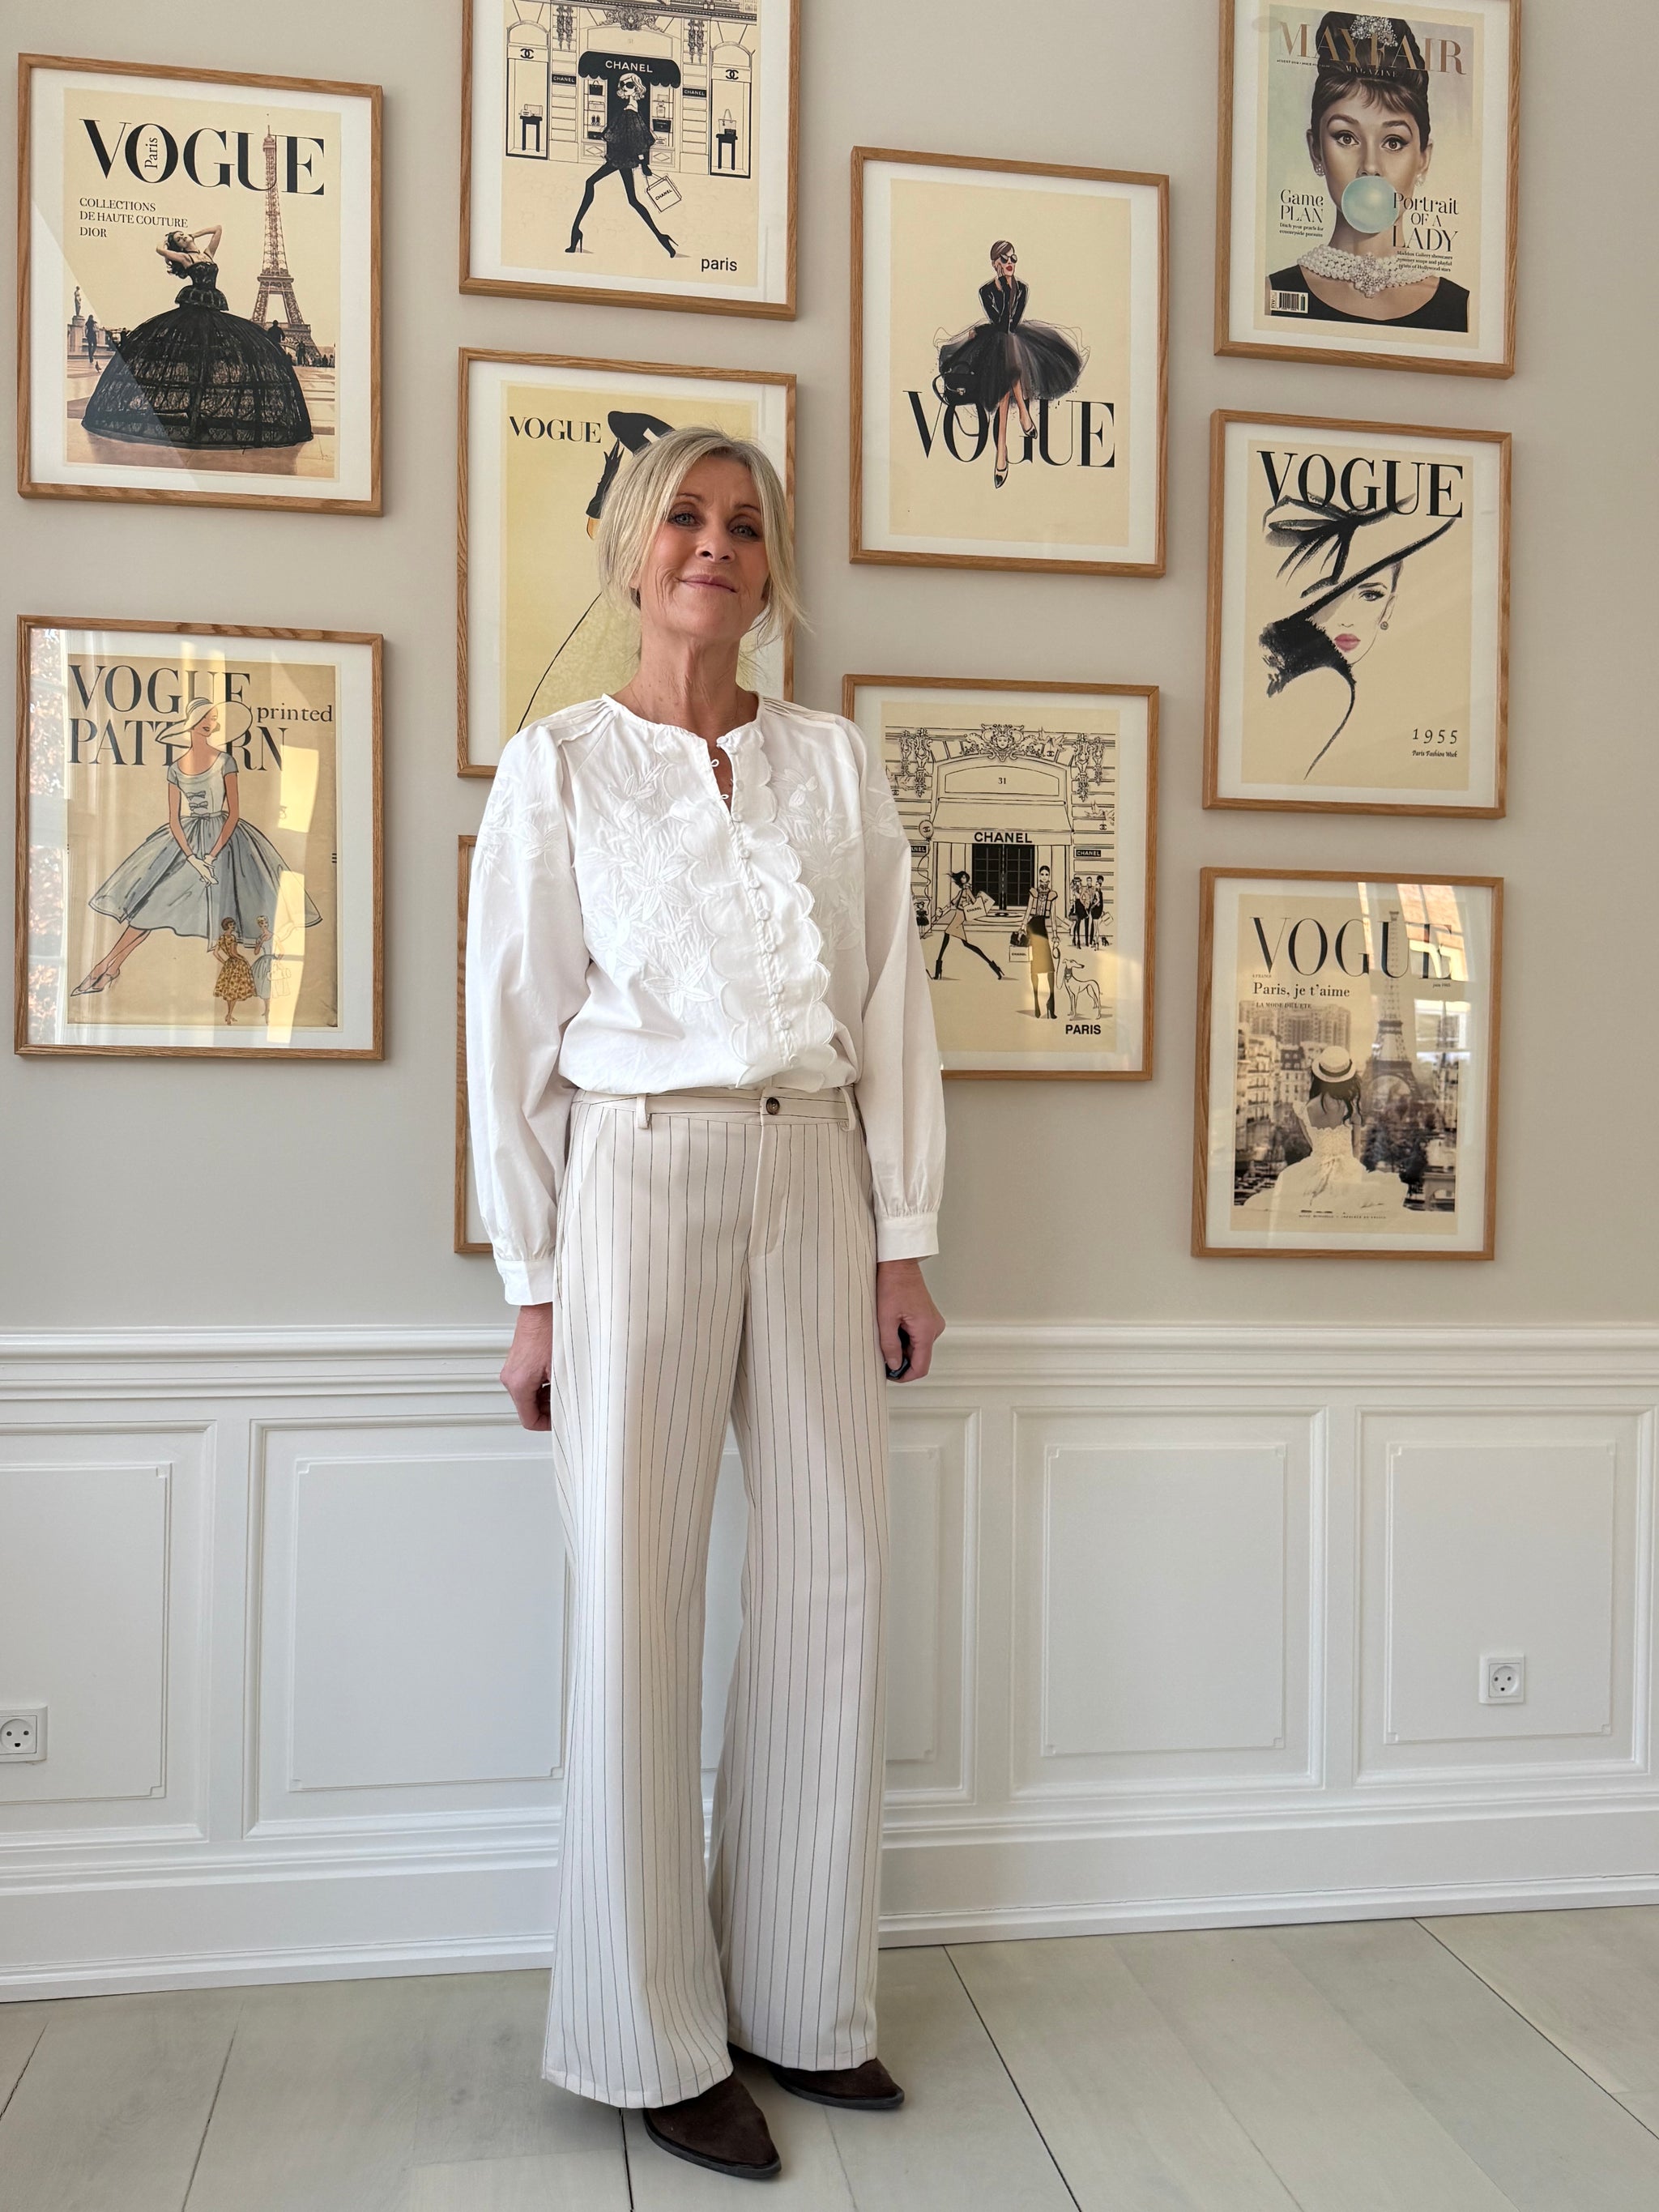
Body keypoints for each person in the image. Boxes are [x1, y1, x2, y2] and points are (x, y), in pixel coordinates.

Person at [465, 424, 947, 2182]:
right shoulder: (560, 768)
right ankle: (642, 2031)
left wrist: (902, 1237)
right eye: (682, 515)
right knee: (637, 1594)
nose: (713, 545)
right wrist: (534, 1288)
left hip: (813, 1167)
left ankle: (802, 1999)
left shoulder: (831, 762)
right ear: (630, 547)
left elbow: (889, 1007)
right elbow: (511, 1040)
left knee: (830, 1581)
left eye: (744, 523)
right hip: (640, 1175)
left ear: (770, 564)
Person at [71, 700, 322, 998]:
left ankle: (266, 985)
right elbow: (174, 819)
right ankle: (107, 967)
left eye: (213, 718)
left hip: (226, 843)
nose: (209, 722)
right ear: (190, 722)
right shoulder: (175, 768)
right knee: (152, 905)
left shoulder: (226, 761)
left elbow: (234, 814)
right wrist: (193, 859)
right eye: (204, 716)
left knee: (245, 906)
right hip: (186, 843)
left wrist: (211, 857)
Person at [1268, 12, 1470, 331]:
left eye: (1394, 142)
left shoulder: (1465, 310)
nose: (1370, 166)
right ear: (1316, 149)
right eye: (1346, 137)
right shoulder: (1270, 296)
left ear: (1423, 159)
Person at [82, 227, 313, 450]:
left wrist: (195, 234)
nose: (183, 238)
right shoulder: (185, 258)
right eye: (179, 239)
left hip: (211, 308)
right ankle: (194, 412)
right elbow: (159, 250)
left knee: (206, 364)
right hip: (194, 311)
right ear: (178, 247)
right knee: (196, 362)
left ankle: (198, 410)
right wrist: (168, 242)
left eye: (183, 235)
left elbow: (218, 229)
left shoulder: (207, 254)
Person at [934, 240, 1085, 488]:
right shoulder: (986, 291)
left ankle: (1001, 452)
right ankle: (1023, 418)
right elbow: (1000, 322)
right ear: (995, 264)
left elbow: (1011, 326)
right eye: (1004, 259)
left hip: (1011, 343)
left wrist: (1009, 289)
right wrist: (1003, 288)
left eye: (1013, 258)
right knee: (1005, 356)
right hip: (994, 347)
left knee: (1007, 357)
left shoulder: (1022, 289)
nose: (1010, 263)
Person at [1242, 1045, 1407, 1224]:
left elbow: (1313, 1145)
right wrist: (1353, 1171)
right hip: (1346, 1170)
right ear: (1347, 1079)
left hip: (1315, 1169)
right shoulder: (1351, 1108)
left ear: (1319, 1076)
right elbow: (1356, 1146)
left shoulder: (1305, 1110)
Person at [566, 69, 677, 258]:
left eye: (629, 85)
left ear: (637, 88)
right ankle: (662, 238)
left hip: (621, 160)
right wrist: (642, 163)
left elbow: (637, 140)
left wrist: (643, 163)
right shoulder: (631, 109)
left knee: (591, 183)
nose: (624, 88)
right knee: (632, 200)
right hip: (621, 159)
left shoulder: (630, 111)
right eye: (622, 84)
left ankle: (576, 231)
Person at [931, 868, 1004, 981]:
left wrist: (969, 901)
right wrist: (942, 910)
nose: (963, 879)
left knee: (947, 935)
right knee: (966, 944)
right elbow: (953, 902)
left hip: (961, 915)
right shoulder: (962, 891)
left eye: (965, 877)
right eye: (962, 877)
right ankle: (994, 967)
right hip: (958, 914)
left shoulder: (967, 890)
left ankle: (938, 970)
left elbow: (974, 902)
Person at [1021, 863, 1061, 1018]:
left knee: (1050, 968)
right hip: (1032, 927)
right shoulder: (1034, 892)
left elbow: (1053, 916)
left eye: (1046, 874)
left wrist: (1055, 934)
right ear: (1039, 876)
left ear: (1049, 877)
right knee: (1035, 967)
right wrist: (1022, 927)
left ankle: (1051, 1004)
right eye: (1042, 874)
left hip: (1043, 929)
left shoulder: (1052, 895)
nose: (1044, 877)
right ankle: (1036, 1004)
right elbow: (1028, 910)